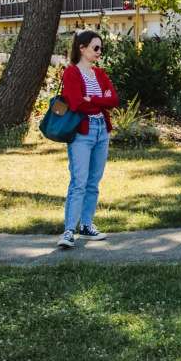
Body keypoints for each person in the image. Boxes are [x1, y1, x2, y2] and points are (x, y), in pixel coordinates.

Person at [57, 30, 120, 250]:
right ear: (82, 48)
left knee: (94, 181)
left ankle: (86, 224)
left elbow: (113, 99)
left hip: (102, 130)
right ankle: (68, 230)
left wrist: (92, 99)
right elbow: (75, 103)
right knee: (79, 181)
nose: (99, 52)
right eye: (96, 48)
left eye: (101, 48)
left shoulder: (100, 74)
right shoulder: (72, 73)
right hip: (83, 132)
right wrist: (99, 100)